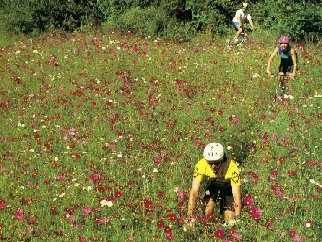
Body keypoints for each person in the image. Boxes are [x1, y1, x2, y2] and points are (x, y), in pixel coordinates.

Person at [187, 143, 242, 225]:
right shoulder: (201, 164)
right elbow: (194, 191)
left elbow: (236, 194)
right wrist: (190, 217)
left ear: (222, 159)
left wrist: (238, 217)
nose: (213, 166)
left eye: (216, 163)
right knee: (208, 213)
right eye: (210, 163)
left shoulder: (232, 166)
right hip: (213, 184)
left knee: (230, 220)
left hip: (228, 186)